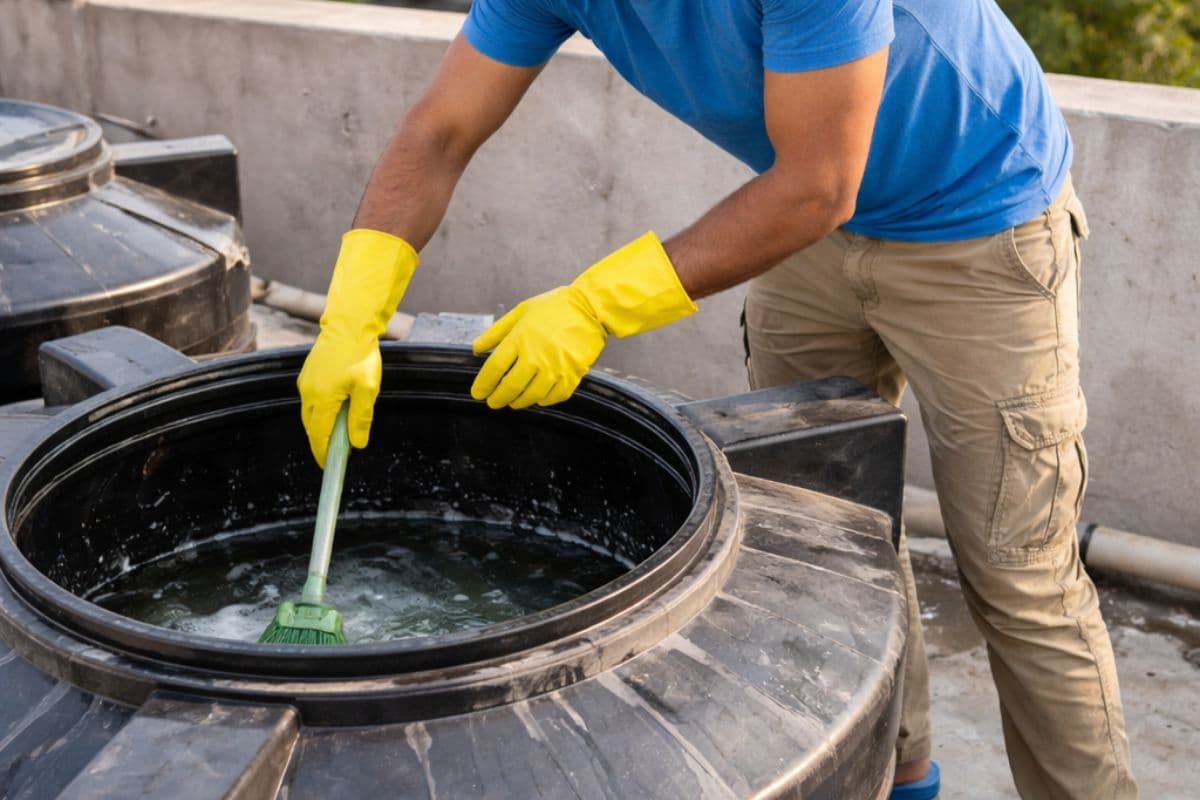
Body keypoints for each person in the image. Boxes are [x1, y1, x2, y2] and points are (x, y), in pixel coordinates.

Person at [297, 1, 1137, 797]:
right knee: (831, 531)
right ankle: (902, 774)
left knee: (1020, 578)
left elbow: (819, 181)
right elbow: (441, 130)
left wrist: (595, 305)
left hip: (980, 222)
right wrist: (351, 314)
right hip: (816, 235)